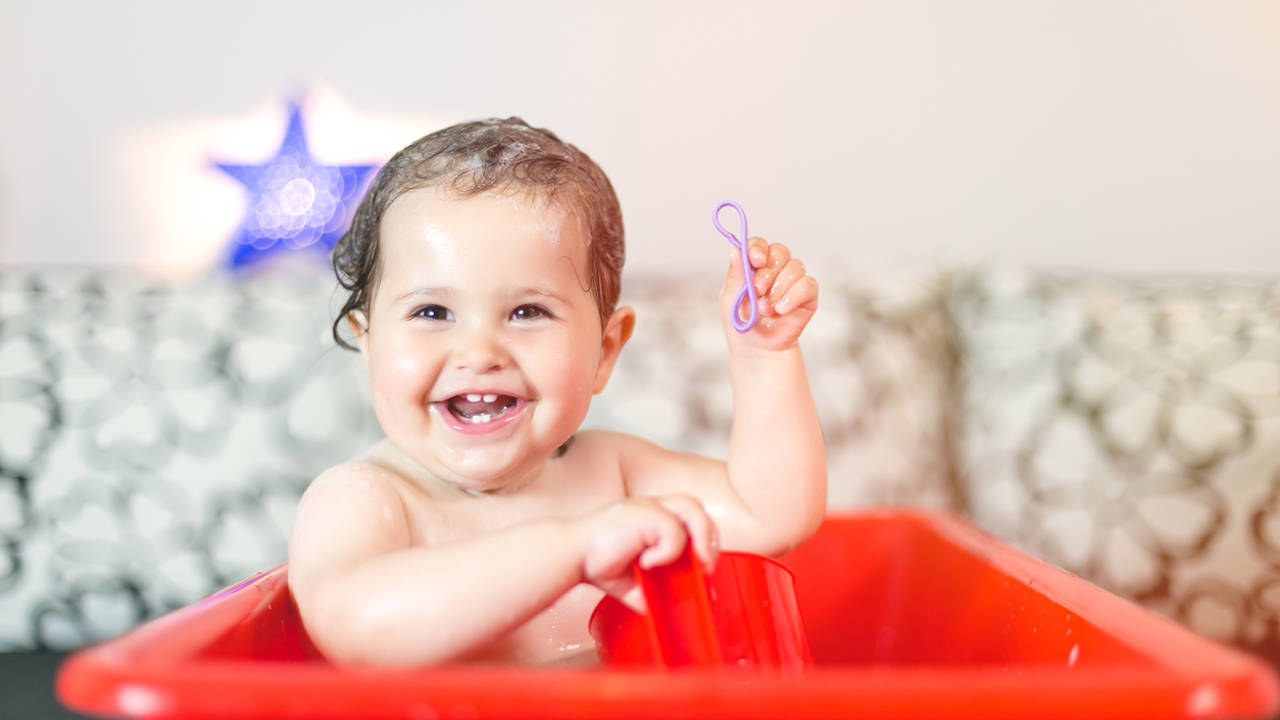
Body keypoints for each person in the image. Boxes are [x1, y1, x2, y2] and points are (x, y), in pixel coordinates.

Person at [287, 117, 825, 666]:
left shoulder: (613, 476)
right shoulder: (369, 499)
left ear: (605, 352)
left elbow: (767, 514)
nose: (479, 352)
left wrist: (765, 354)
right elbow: (354, 624)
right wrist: (575, 547)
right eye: (432, 311)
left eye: (527, 311)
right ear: (369, 345)